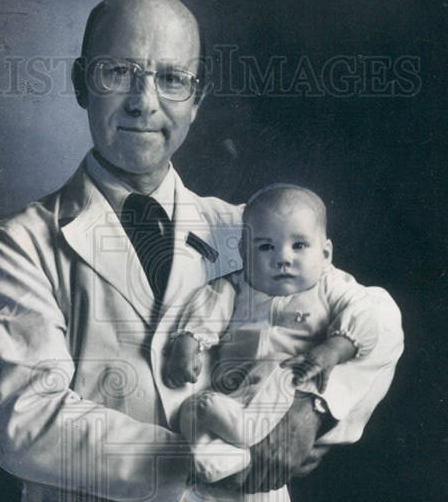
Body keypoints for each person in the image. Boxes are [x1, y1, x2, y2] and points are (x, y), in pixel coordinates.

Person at [0, 0, 403, 502]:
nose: (145, 101)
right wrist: (203, 458)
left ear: (197, 96)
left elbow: (373, 321)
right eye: (117, 73)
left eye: (170, 77)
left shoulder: (251, 233)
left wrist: (315, 410)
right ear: (80, 83)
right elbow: (27, 418)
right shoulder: (24, 243)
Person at [164, 184, 399, 483]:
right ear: (244, 253)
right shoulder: (235, 288)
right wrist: (188, 343)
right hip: (232, 391)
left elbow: (370, 317)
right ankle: (217, 459)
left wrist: (333, 349)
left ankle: (241, 441)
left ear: (325, 253)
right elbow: (205, 311)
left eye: (298, 246)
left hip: (283, 387)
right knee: (194, 416)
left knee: (241, 407)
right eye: (265, 247)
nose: (282, 258)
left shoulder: (329, 287)